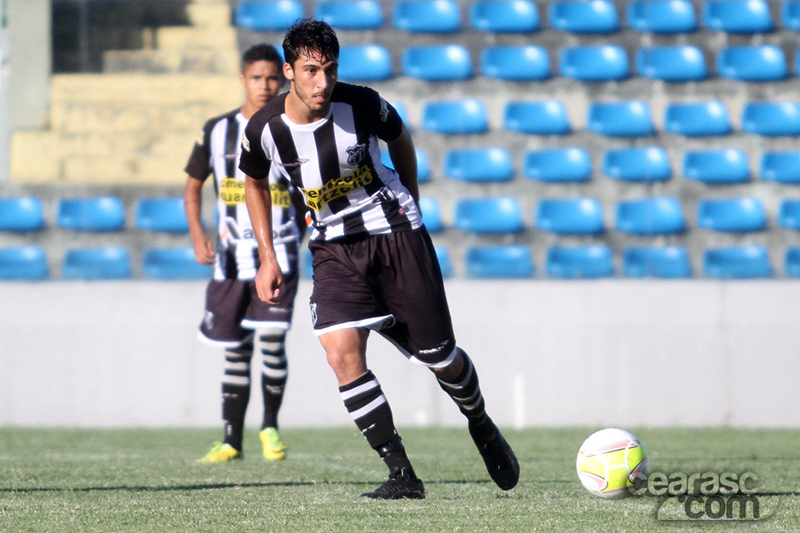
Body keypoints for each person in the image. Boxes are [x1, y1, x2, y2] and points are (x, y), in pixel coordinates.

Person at [241, 19, 519, 499]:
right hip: (332, 248)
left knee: (442, 360)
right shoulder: (264, 129)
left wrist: (411, 204)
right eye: (310, 71)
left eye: (329, 70)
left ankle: (479, 420)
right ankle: (402, 475)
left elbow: (402, 140)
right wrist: (267, 256)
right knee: (339, 351)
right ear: (288, 71)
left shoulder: (362, 104)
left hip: (394, 237)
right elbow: (253, 182)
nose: (322, 82)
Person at [184, 43, 305, 463]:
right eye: (257, 78)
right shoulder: (217, 130)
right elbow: (193, 185)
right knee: (236, 348)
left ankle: (270, 427)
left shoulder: (294, 126)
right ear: (243, 79)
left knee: (272, 342)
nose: (265, 85)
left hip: (281, 256)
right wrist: (198, 231)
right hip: (231, 260)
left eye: (272, 78)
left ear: (284, 78)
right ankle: (231, 440)